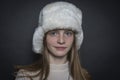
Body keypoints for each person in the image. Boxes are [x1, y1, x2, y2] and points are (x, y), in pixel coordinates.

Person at [15, 1, 91, 80]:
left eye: (68, 33)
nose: (61, 41)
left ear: (74, 39)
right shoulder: (25, 76)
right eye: (54, 33)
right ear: (43, 38)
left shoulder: (84, 76)